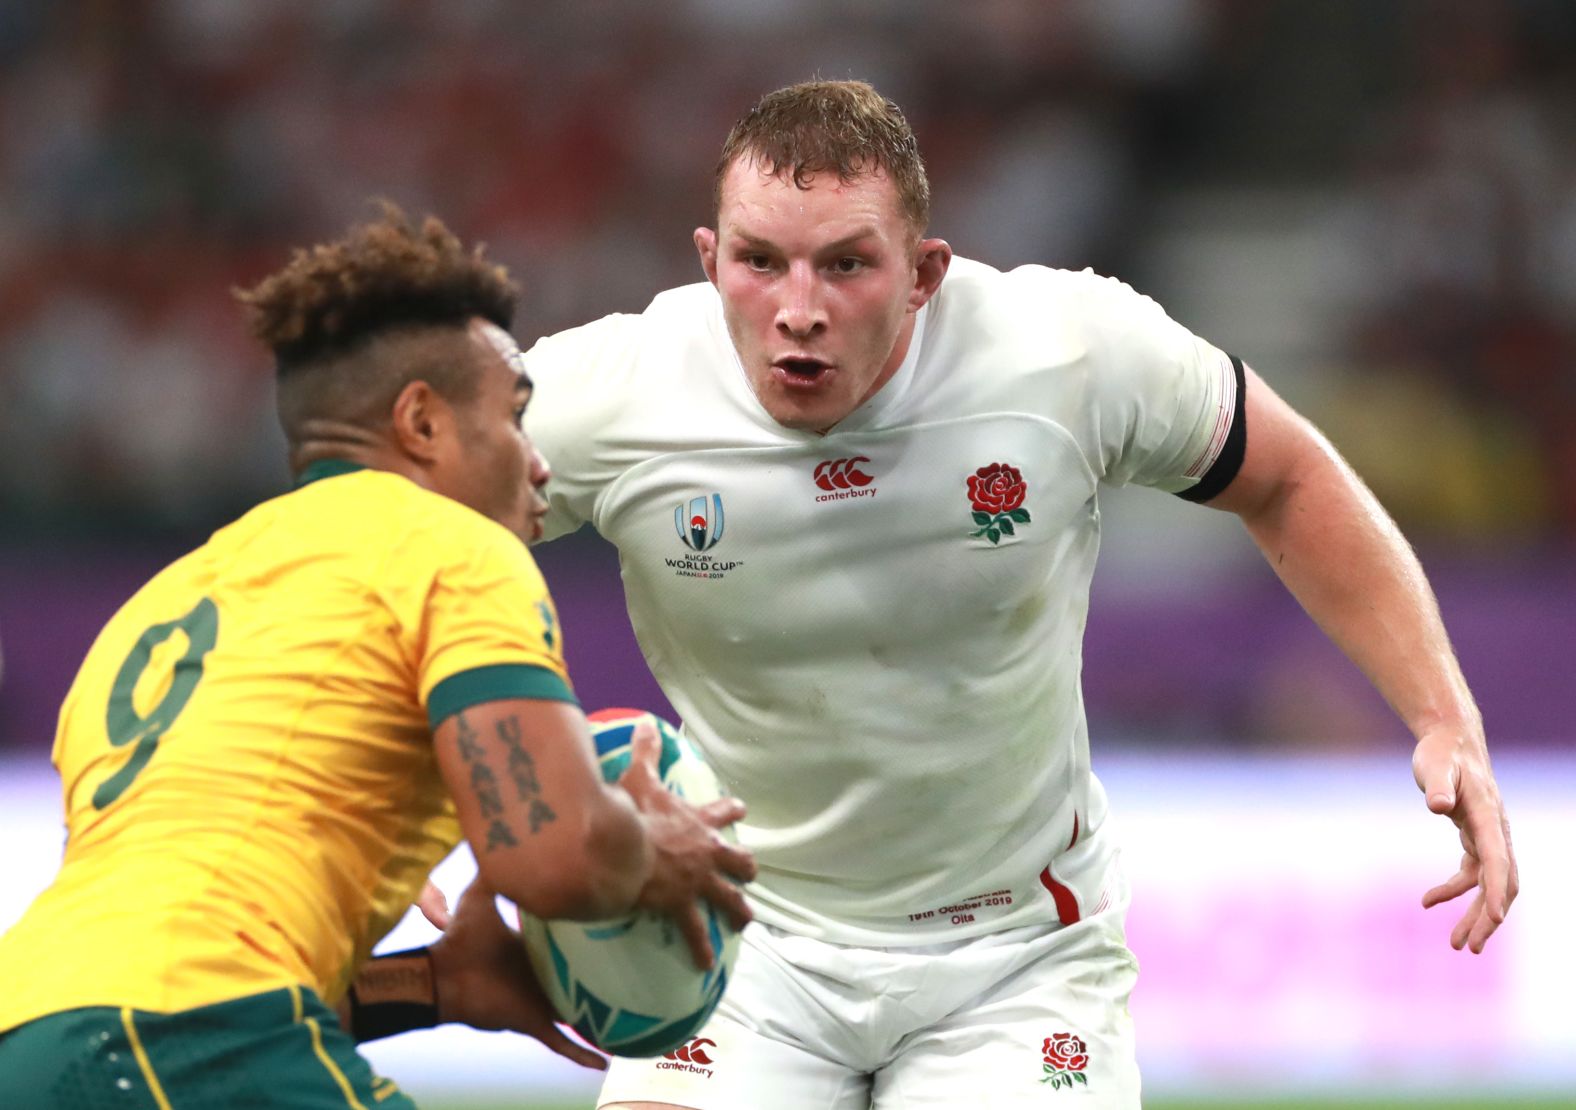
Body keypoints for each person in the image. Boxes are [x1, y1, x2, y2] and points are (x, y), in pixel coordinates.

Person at [513, 80, 1519, 1109]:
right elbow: (403, 533)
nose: (797, 308)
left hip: (1015, 958)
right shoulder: (614, 391)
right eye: (758, 260)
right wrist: (428, 777)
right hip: (736, 937)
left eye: (847, 263)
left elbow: (1288, 475)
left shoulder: (1065, 352)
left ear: (924, 274)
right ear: (707, 258)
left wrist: (1443, 717)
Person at [0, 207, 755, 1109]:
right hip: (187, 1042)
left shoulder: (167, 603)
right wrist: (652, 851)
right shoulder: (449, 547)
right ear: (422, 423)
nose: (541, 463)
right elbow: (552, 855)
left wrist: (434, 987)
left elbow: (177, 959)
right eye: (516, 417)